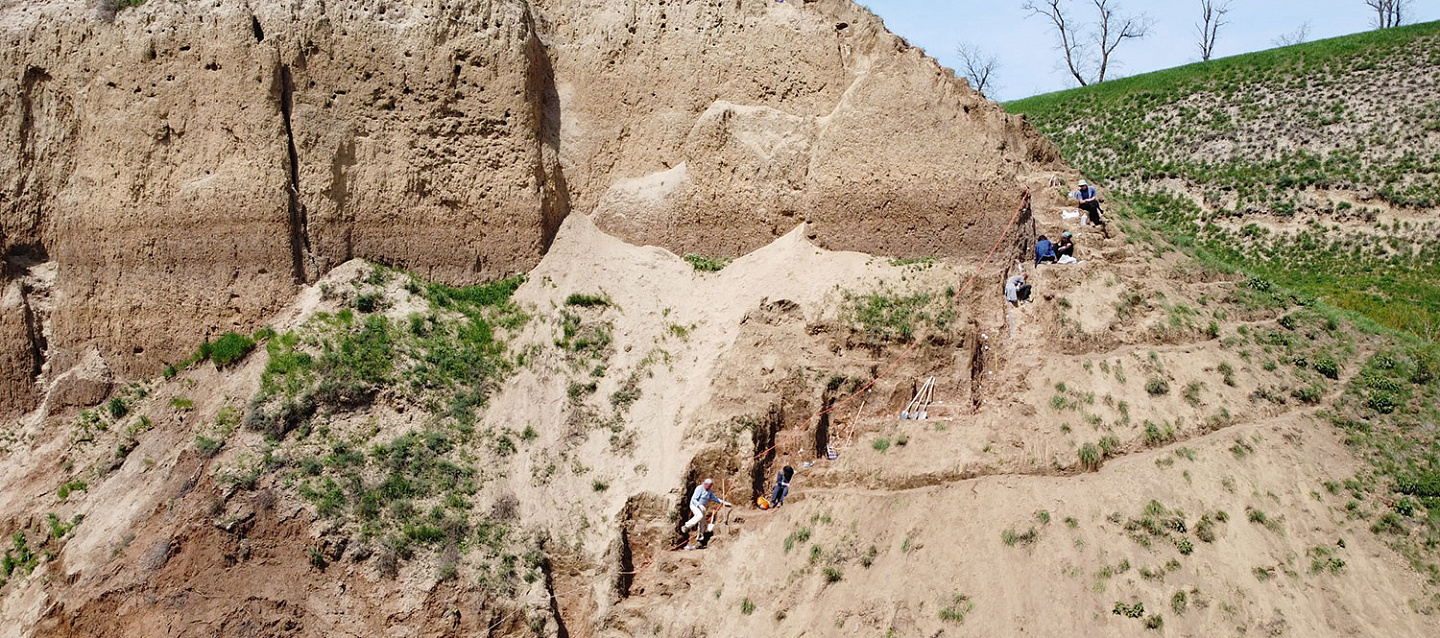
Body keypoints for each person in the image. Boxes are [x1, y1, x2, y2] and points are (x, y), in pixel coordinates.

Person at [682, 478, 730, 547]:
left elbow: (715, 498)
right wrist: (698, 504)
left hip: (702, 507)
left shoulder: (709, 491)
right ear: (705, 484)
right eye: (709, 485)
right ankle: (686, 526)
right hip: (694, 505)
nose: (710, 487)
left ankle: (699, 540)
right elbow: (694, 499)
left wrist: (724, 503)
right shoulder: (699, 488)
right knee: (699, 516)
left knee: (702, 524)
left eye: (711, 486)